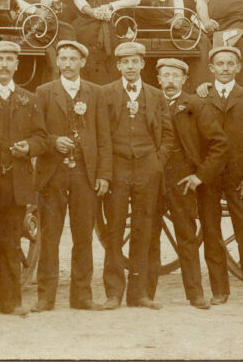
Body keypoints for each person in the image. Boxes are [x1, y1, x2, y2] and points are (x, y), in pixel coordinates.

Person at [0, 41, 48, 317]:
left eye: (9, 59)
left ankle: (11, 301)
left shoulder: (29, 99)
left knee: (11, 242)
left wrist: (29, 146)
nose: (4, 64)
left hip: (17, 184)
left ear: (17, 64)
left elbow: (42, 137)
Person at [32, 40, 111, 311]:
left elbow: (104, 137)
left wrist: (103, 174)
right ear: (57, 62)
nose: (66, 64)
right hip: (53, 174)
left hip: (84, 175)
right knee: (50, 236)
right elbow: (37, 132)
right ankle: (46, 296)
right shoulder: (43, 92)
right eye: (62, 58)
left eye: (72, 59)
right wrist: (54, 141)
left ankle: (82, 296)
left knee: (83, 237)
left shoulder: (95, 93)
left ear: (82, 63)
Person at [146, 58, 228, 310]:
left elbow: (220, 143)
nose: (169, 81)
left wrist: (199, 176)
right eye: (165, 76)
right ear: (158, 80)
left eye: (175, 76)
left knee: (186, 235)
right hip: (153, 177)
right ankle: (145, 294)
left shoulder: (196, 105)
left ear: (184, 80)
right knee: (149, 234)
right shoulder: (149, 102)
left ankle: (195, 294)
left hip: (182, 178)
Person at [100, 42, 175, 310]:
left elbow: (168, 134)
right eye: (125, 62)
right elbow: (101, 135)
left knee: (145, 230)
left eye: (135, 62)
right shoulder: (106, 94)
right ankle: (114, 293)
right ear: (118, 65)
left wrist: (157, 162)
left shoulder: (156, 95)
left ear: (142, 64)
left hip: (147, 168)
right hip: (118, 168)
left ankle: (139, 293)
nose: (130, 67)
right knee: (115, 230)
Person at [197, 46, 243, 310]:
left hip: (241, 178)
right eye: (220, 64)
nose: (225, 68)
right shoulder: (202, 97)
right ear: (212, 69)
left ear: (239, 68)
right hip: (210, 177)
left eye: (231, 63)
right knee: (211, 231)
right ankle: (219, 290)